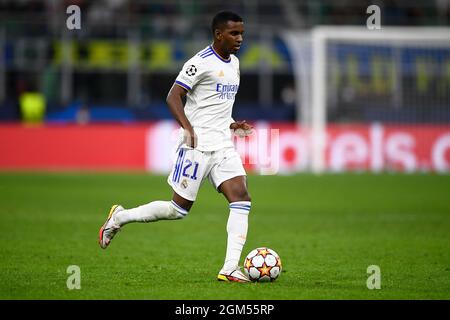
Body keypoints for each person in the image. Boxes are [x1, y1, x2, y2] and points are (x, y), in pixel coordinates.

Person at [99, 11, 253, 283]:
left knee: (241, 198)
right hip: (196, 146)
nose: (240, 38)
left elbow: (215, 104)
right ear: (219, 34)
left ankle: (230, 268)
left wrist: (231, 124)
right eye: (234, 33)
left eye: (241, 32)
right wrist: (188, 128)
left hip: (222, 146)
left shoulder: (235, 64)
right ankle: (119, 218)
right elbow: (173, 96)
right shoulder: (199, 63)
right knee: (177, 210)